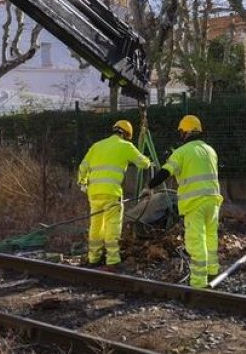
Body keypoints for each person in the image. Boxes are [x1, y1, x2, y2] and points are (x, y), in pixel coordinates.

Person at [143, 115, 222, 289]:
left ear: (185, 132)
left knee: (196, 241)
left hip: (195, 203)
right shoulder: (210, 151)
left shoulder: (182, 152)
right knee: (211, 237)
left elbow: (165, 172)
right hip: (213, 201)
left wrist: (149, 186)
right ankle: (213, 271)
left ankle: (199, 282)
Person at [76, 120, 150, 270]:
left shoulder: (97, 146)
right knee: (112, 226)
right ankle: (112, 260)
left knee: (96, 226)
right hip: (111, 193)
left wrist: (83, 182)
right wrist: (149, 162)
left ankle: (94, 258)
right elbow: (143, 163)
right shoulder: (125, 146)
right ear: (126, 134)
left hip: (94, 193)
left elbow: (83, 167)